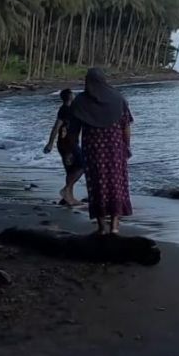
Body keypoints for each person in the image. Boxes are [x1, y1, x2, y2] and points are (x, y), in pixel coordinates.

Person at [68, 68, 133, 235]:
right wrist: (127, 146)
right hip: (115, 151)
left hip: (93, 151)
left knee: (97, 185)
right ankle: (115, 225)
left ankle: (102, 226)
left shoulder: (80, 101)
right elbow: (126, 127)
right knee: (116, 184)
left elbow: (73, 131)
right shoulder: (118, 98)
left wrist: (71, 151)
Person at [42, 88, 84, 207]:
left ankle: (68, 198)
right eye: (73, 94)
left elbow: (57, 128)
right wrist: (50, 143)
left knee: (70, 170)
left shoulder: (66, 109)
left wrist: (51, 143)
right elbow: (56, 127)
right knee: (83, 165)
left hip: (65, 143)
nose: (75, 95)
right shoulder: (67, 110)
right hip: (68, 144)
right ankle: (67, 190)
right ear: (70, 96)